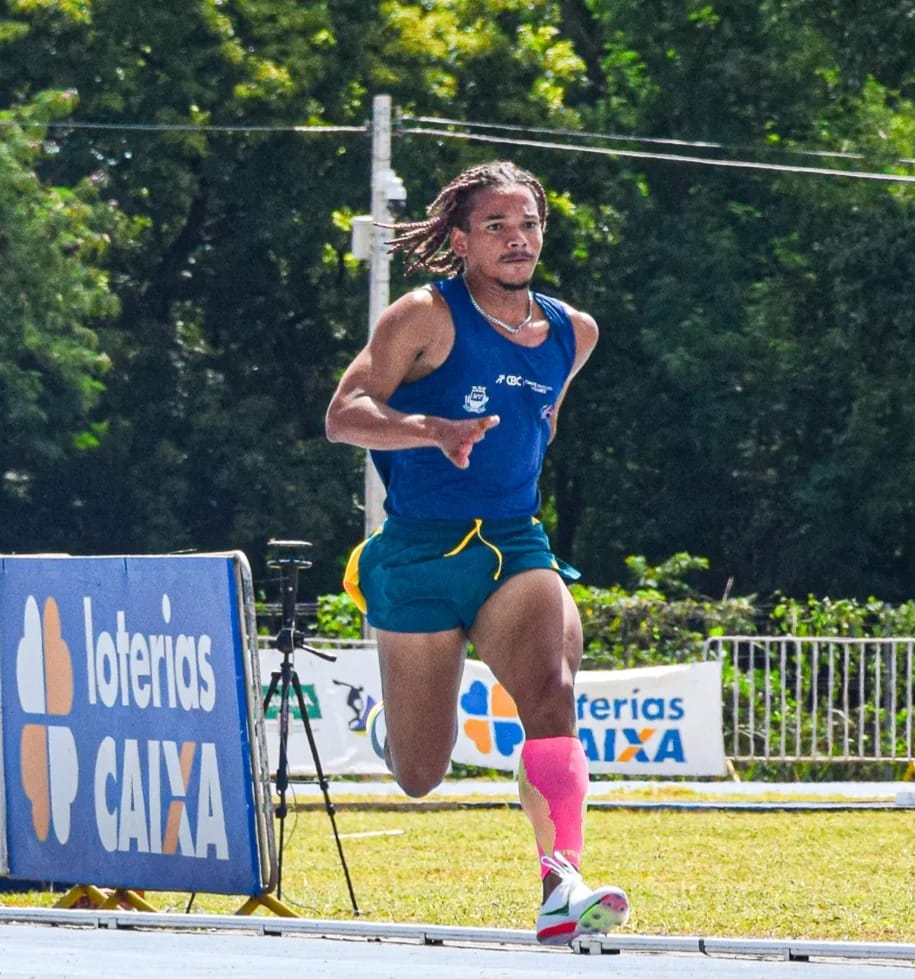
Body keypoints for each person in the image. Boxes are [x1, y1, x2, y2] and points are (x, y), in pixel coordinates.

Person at [325, 160, 630, 945]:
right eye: (495, 226)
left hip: (510, 544)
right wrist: (431, 430)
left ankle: (560, 882)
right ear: (461, 240)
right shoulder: (421, 317)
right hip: (419, 551)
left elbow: (543, 422)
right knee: (421, 775)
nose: (516, 238)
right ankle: (401, 723)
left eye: (526, 223)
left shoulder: (574, 332)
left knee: (552, 685)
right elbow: (344, 413)